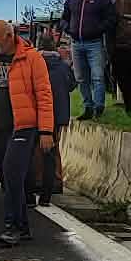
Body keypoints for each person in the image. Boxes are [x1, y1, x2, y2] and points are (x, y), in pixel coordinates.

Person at [0, 20, 54, 247]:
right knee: (7, 179)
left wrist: (46, 130)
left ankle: (11, 226)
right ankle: (22, 227)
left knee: (13, 173)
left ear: (9, 36)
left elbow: (44, 95)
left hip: (23, 126)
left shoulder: (32, 59)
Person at [60, 0, 114, 118]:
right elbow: (63, 18)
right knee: (81, 78)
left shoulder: (102, 0)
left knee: (97, 76)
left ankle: (99, 106)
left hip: (94, 43)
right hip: (76, 44)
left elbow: (111, 19)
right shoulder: (71, 0)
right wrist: (68, 28)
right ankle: (88, 107)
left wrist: (98, 29)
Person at [34, 32, 75, 205]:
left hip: (38, 112)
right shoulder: (63, 66)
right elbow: (72, 84)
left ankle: (37, 180)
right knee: (54, 147)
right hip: (58, 113)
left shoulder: (34, 64)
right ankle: (56, 181)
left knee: (36, 149)